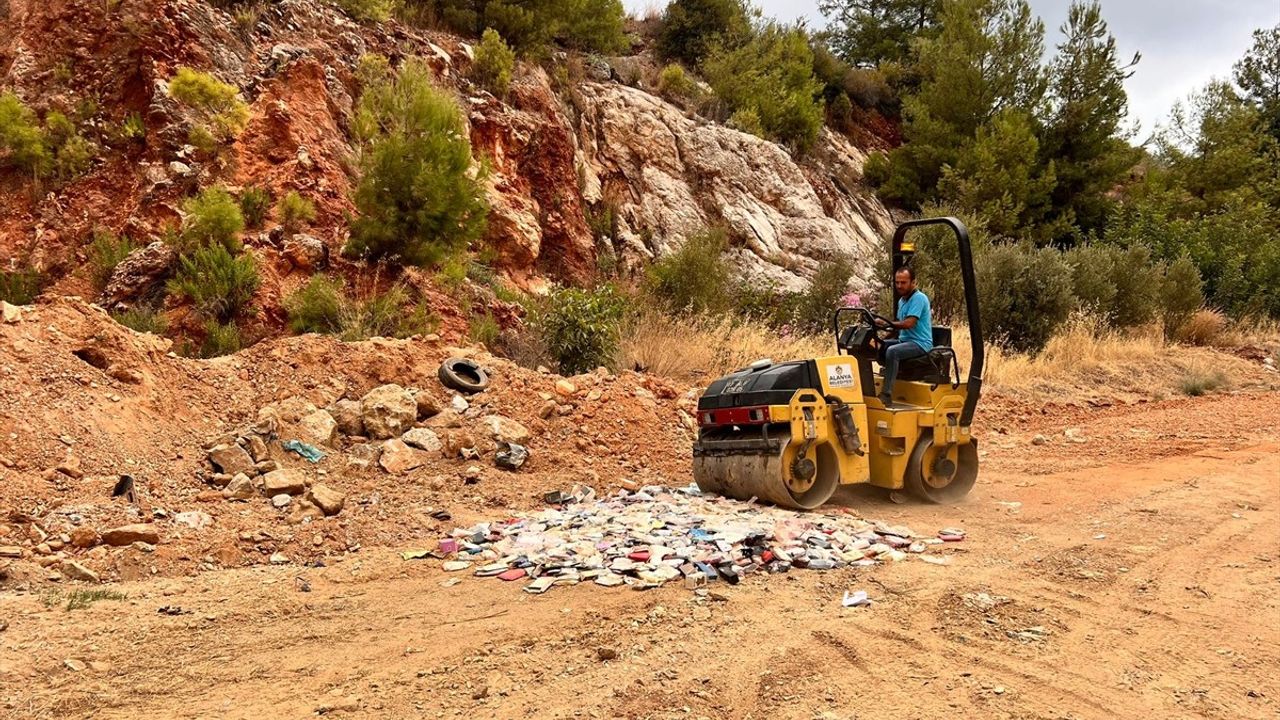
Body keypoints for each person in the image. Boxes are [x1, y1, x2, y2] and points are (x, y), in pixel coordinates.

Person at [875, 266, 932, 407]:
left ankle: (886, 394)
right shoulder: (902, 301)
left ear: (913, 282)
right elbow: (897, 328)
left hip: (920, 344)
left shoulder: (919, 299)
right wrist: (881, 339)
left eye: (903, 282)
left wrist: (885, 323)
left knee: (892, 351)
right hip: (905, 341)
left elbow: (908, 324)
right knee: (876, 345)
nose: (899, 286)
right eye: (897, 282)